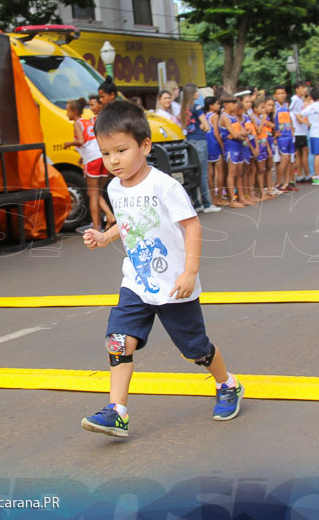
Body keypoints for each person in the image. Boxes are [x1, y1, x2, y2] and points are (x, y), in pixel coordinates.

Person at [80, 100, 243, 437]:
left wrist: (189, 273)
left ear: (145, 145)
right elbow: (127, 224)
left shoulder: (164, 186)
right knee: (118, 340)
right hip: (137, 282)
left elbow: (193, 227)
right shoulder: (113, 187)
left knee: (195, 349)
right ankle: (117, 411)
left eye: (121, 151)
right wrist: (105, 236)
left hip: (173, 284)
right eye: (106, 152)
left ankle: (227, 384)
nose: (113, 161)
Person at [64, 98, 116, 234]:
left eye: (68, 110)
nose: (66, 113)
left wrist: (69, 143)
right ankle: (107, 216)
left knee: (93, 194)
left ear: (74, 112)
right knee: (97, 192)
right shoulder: (87, 121)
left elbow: (81, 140)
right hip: (100, 156)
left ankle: (97, 226)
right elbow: (90, 141)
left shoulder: (76, 123)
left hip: (92, 160)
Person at [180, 83, 220, 213]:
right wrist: (202, 127)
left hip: (189, 142)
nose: (198, 93)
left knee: (192, 173)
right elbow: (207, 126)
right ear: (192, 94)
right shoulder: (197, 107)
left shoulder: (183, 109)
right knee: (203, 173)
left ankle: (196, 203)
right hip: (200, 140)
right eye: (196, 91)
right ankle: (207, 204)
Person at [204, 96, 228, 206]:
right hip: (215, 144)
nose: (219, 106)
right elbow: (216, 133)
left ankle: (213, 198)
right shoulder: (215, 116)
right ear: (211, 105)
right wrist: (222, 145)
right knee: (220, 171)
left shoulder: (204, 116)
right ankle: (219, 197)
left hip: (207, 144)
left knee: (210, 173)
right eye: (217, 104)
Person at [290, 83, 310, 183]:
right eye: (302, 87)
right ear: (297, 89)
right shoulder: (295, 99)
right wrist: (305, 122)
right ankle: (305, 175)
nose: (305, 89)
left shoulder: (300, 100)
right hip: (298, 130)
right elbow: (292, 113)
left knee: (300, 153)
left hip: (302, 130)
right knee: (303, 152)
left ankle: (301, 175)